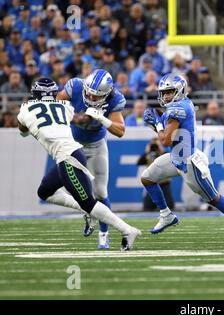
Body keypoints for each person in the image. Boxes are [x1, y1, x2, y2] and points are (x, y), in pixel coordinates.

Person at [17, 78, 140, 250]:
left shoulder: (25, 109)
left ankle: (128, 230)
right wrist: (92, 115)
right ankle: (86, 212)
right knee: (45, 191)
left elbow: (22, 131)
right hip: (71, 154)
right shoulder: (64, 107)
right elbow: (80, 120)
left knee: (90, 201)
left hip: (69, 157)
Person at [140, 73, 224, 245]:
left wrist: (156, 124)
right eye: (164, 92)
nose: (165, 96)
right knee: (147, 178)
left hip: (189, 162)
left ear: (179, 90)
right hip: (176, 157)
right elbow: (169, 135)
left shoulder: (177, 109)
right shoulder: (180, 104)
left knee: (213, 198)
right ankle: (166, 215)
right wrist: (158, 122)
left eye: (169, 92)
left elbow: (165, 140)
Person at [56, 69, 127, 249]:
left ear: (106, 94)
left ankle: (104, 234)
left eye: (95, 96)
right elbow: (58, 100)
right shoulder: (76, 86)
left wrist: (102, 119)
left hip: (96, 146)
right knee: (70, 188)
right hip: (72, 144)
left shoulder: (115, 99)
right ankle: (88, 212)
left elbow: (120, 131)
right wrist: (70, 115)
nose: (89, 97)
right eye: (88, 93)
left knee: (101, 192)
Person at [137, 137, 174, 211]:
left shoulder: (164, 154)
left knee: (169, 206)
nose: (154, 147)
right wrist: (147, 152)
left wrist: (160, 150)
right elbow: (139, 162)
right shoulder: (148, 155)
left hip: (164, 184)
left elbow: (170, 160)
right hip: (152, 183)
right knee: (147, 207)